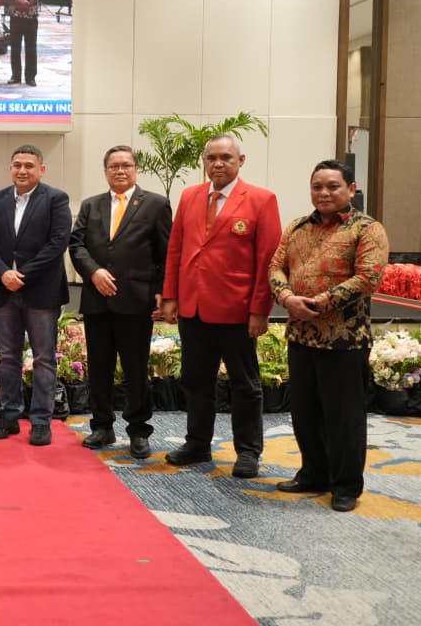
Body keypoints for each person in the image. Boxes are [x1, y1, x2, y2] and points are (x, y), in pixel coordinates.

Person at [269, 160, 389, 512]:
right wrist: (287, 298)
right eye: (317, 187)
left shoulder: (367, 229)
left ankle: (346, 485)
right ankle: (313, 473)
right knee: (304, 413)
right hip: (301, 335)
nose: (323, 193)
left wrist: (320, 303)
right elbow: (276, 266)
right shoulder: (297, 227)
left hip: (343, 340)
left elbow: (368, 278)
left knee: (343, 417)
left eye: (332, 186)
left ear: (351, 189)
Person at [161, 134, 281, 478]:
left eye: (226, 157)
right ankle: (197, 443)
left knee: (245, 384)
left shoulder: (261, 200)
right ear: (204, 161)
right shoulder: (190, 196)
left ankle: (248, 451)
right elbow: (176, 249)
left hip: (237, 311)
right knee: (196, 380)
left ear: (240, 161)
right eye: (211, 157)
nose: (218, 164)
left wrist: (260, 310)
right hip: (194, 308)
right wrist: (171, 296)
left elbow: (268, 259)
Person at [68, 146, 171, 458]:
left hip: (136, 300)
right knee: (99, 367)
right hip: (97, 299)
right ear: (106, 171)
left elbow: (166, 251)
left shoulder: (156, 204)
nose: (120, 170)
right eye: (114, 166)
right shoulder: (91, 205)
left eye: (126, 165)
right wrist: (93, 271)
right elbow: (76, 245)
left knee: (135, 369)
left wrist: (162, 290)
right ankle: (102, 426)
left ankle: (138, 430)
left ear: (136, 169)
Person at [0, 145, 71, 445]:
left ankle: (41, 421)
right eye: (17, 165)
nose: (22, 170)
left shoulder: (56, 199)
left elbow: (58, 243)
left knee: (43, 358)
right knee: (8, 358)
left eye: (29, 165)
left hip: (41, 291)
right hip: (3, 290)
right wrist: (3, 273)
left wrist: (23, 275)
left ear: (41, 169)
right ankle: (9, 416)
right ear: (10, 168)